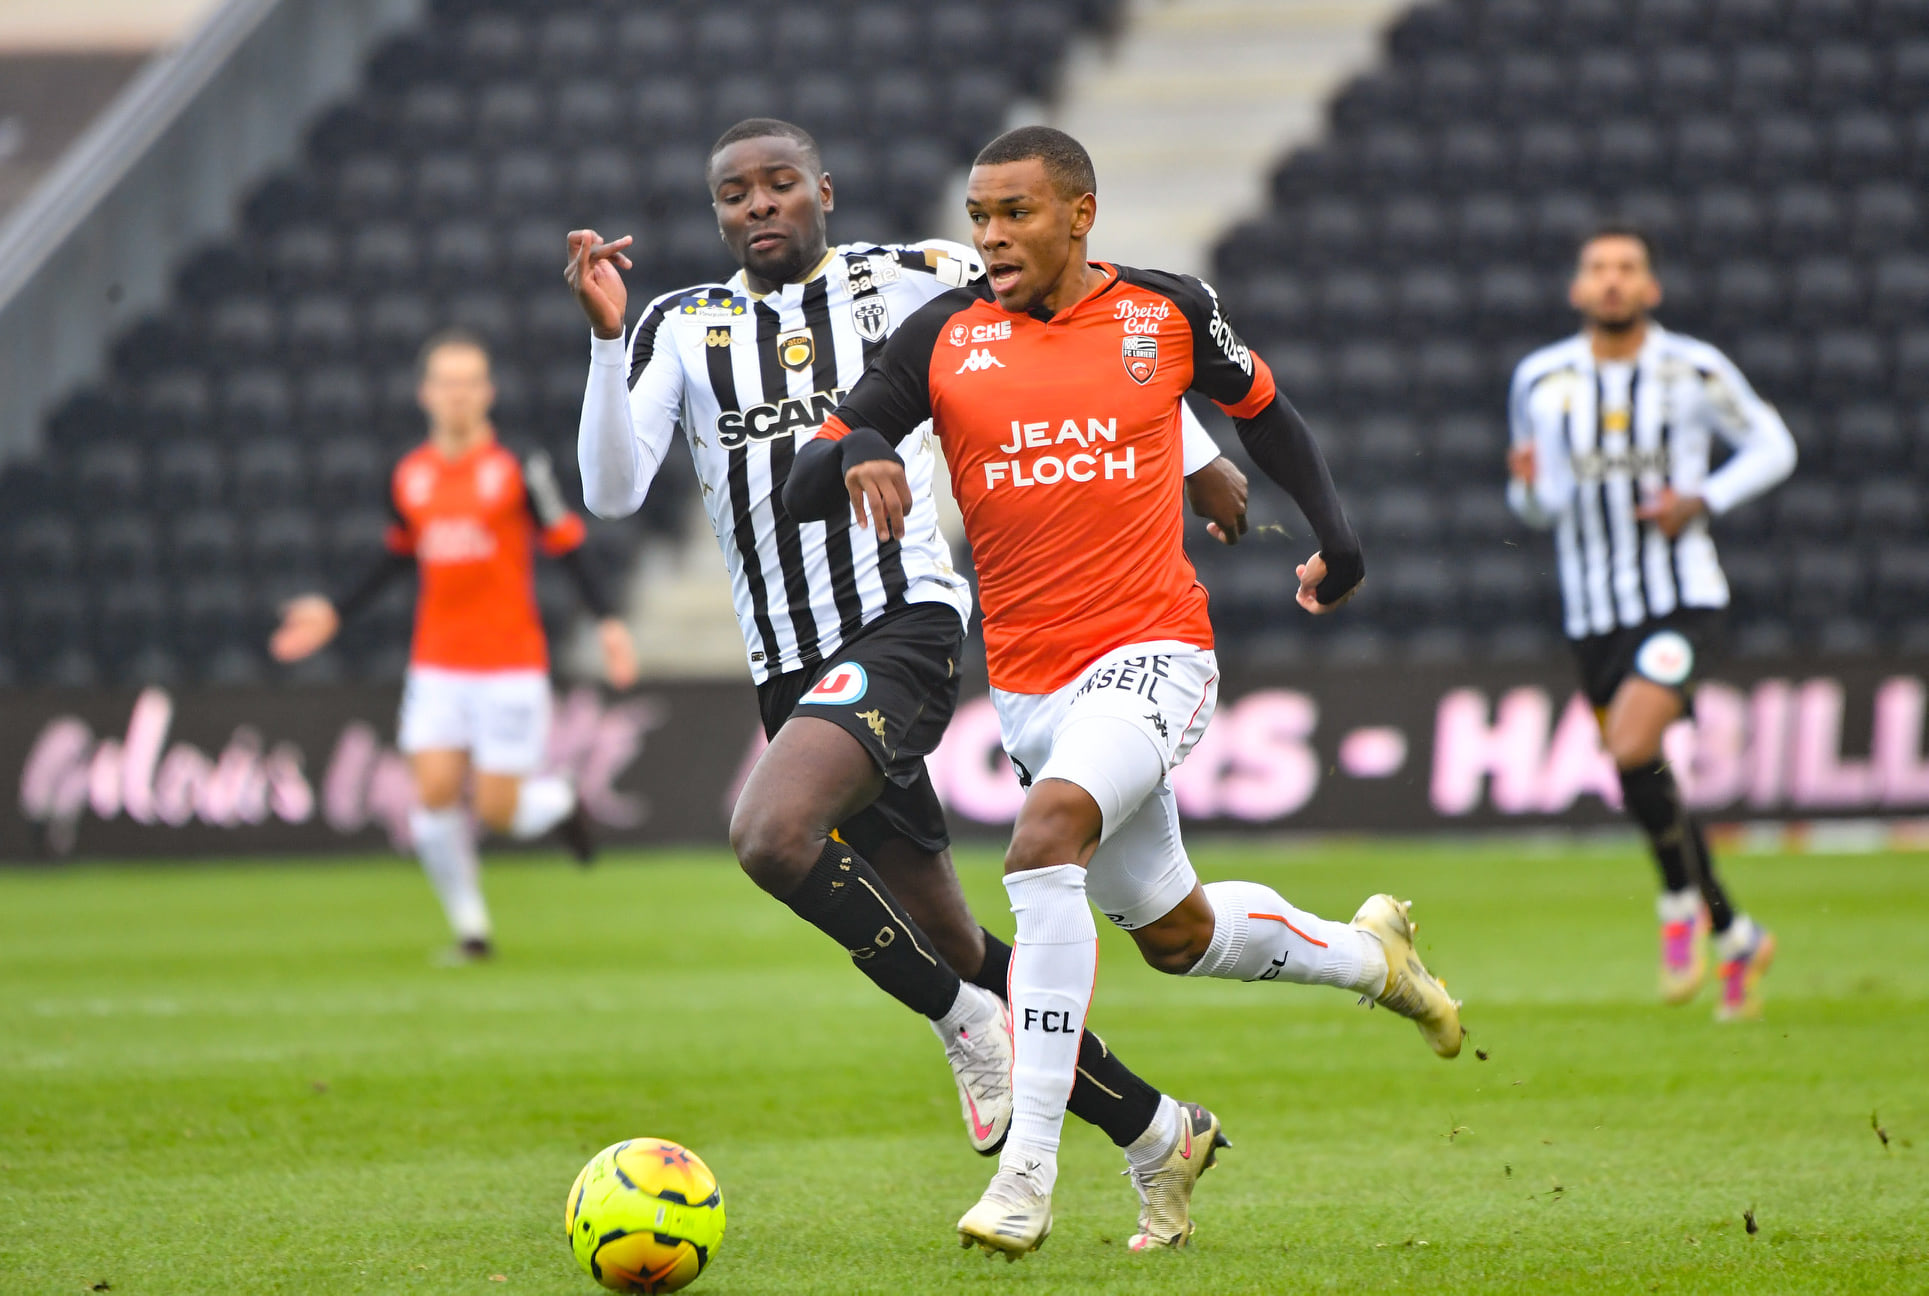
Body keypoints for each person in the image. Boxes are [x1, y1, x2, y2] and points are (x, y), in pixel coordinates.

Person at [569, 117, 1252, 1250]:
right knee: (957, 942)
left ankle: (965, 1029)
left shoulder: (918, 278)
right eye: (734, 194)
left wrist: (1200, 454)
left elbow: (1076, 339)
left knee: (770, 836)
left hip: (901, 625)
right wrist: (601, 346)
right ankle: (1155, 1131)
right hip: (789, 667)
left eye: (780, 184)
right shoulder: (680, 327)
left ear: (823, 191)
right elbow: (609, 491)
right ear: (717, 214)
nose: (759, 206)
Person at [785, 124, 1464, 1260]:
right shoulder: (945, 335)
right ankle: (1373, 960)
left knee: (1043, 843)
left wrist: (1338, 541)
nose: (991, 237)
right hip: (1034, 690)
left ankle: (1029, 1173)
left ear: (1080, 213)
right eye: (980, 216)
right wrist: (862, 447)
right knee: (1176, 932)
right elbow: (818, 465)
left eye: (1016, 214)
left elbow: (1270, 415)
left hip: (1156, 652)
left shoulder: (1167, 313)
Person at [270, 329, 636, 961]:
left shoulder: (519, 469)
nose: (459, 394)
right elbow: (396, 555)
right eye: (447, 382)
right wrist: (335, 612)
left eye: (470, 382)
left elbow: (568, 543)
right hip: (436, 664)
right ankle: (472, 932)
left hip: (510, 665)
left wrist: (607, 620)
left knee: (499, 811)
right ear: (426, 394)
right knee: (432, 794)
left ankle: (562, 800)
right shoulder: (409, 475)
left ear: (488, 392)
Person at [1507, 226, 1796, 1021]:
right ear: (1576, 288)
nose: (1610, 282)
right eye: (1597, 269)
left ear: (1650, 289)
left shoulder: (1692, 369)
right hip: (1591, 611)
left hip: (1681, 598)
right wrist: (1528, 490)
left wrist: (1702, 499)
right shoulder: (1539, 379)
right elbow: (1539, 504)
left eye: (1626, 269)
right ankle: (1733, 930)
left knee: (1631, 743)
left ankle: (1677, 905)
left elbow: (1774, 446)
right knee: (1638, 772)